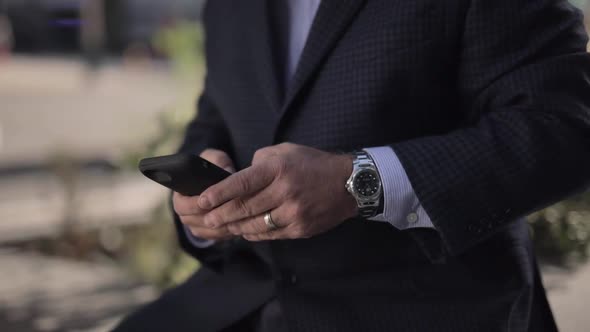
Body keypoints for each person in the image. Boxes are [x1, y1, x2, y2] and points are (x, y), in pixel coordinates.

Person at [114, 0, 590, 331]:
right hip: (242, 298)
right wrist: (205, 205)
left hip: (430, 309)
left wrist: (357, 184)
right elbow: (214, 118)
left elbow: (564, 126)